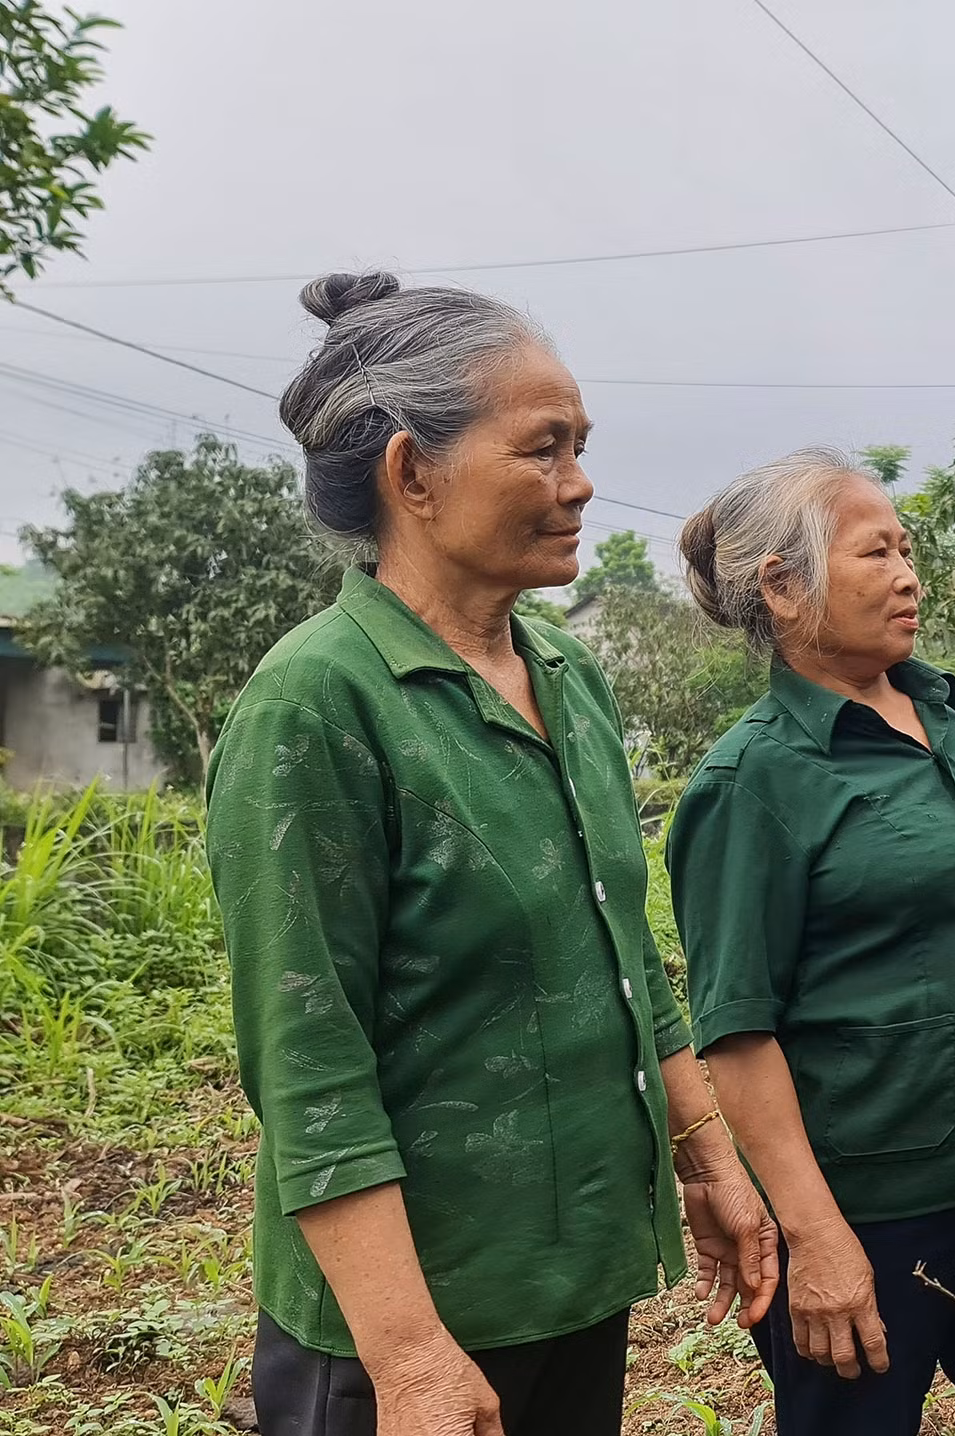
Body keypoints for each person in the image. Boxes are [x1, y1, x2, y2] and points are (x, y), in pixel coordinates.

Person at [209, 272, 778, 1436]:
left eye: (581, 446)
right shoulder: (316, 704)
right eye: (543, 448)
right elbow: (309, 1066)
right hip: (406, 1324)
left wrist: (707, 1154)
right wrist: (410, 1353)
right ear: (412, 472)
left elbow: (624, 954)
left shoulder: (566, 677)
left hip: (571, 1284)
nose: (578, 483)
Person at [665, 449, 955, 1436]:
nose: (909, 574)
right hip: (865, 1211)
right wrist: (814, 1235)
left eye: (907, 550)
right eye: (876, 553)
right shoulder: (754, 779)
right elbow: (736, 1034)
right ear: (782, 586)